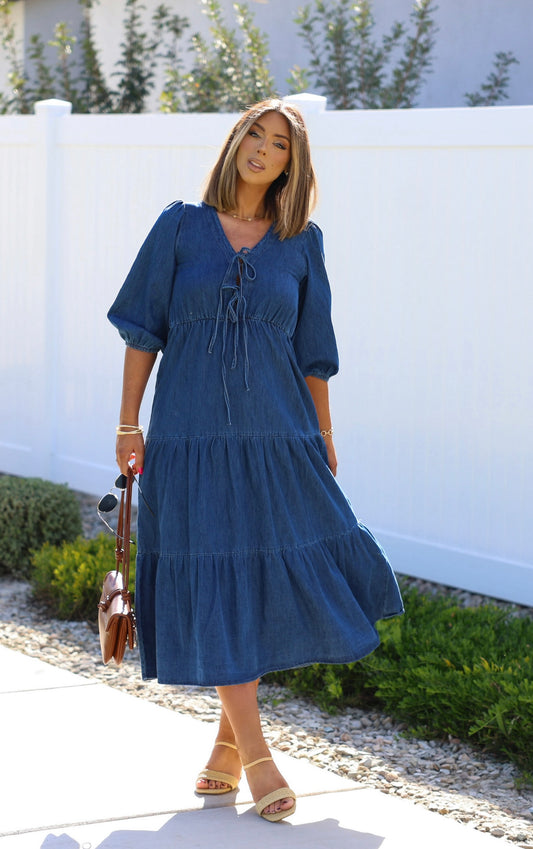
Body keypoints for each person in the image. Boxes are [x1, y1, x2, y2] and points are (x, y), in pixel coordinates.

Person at [108, 98, 403, 823]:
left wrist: (324, 435)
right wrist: (127, 421)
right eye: (254, 134)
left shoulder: (301, 243)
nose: (262, 149)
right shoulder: (179, 226)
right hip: (188, 435)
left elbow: (313, 353)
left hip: (278, 436)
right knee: (214, 568)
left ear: (290, 164)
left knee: (263, 570)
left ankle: (226, 748)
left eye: (279, 143)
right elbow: (144, 330)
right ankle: (258, 750)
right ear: (234, 140)